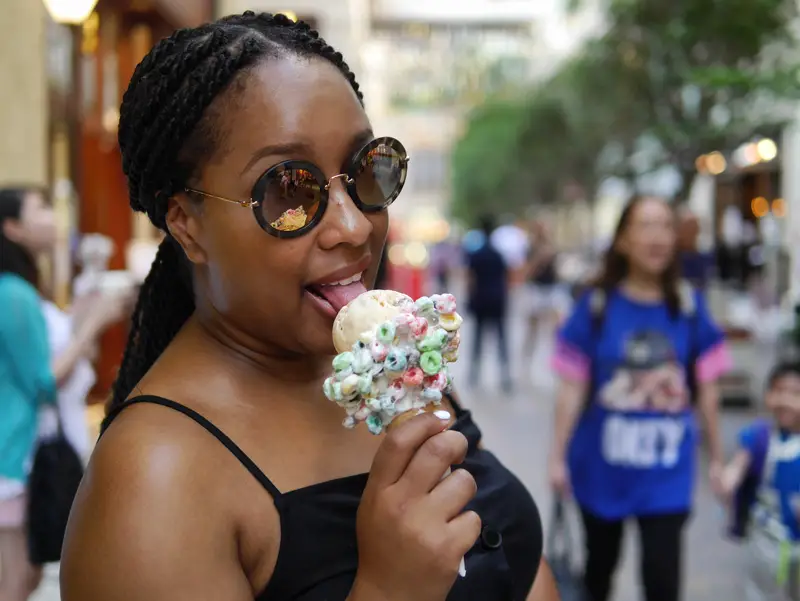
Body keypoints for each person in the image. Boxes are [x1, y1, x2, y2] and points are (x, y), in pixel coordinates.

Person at [61, 12, 557, 601]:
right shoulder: (153, 480)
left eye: (366, 170)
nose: (352, 226)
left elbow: (522, 565)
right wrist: (389, 588)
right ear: (187, 224)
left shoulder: (391, 374)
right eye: (289, 190)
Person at [548, 196, 731, 601]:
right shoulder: (595, 305)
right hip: (600, 470)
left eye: (665, 226)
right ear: (624, 240)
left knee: (663, 584)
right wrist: (557, 458)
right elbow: (572, 388)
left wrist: (717, 460)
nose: (657, 237)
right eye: (645, 226)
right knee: (598, 576)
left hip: (667, 474)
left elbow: (708, 391)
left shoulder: (687, 306)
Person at [719, 362, 800, 601]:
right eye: (779, 391)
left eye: (795, 393)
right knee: (760, 592)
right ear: (768, 395)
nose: (786, 400)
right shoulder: (760, 435)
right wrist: (728, 479)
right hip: (765, 539)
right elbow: (739, 464)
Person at [465, 215, 512, 391]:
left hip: (480, 300)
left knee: (477, 338)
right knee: (501, 338)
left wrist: (469, 298)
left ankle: (474, 374)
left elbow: (470, 279)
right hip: (497, 300)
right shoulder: (499, 255)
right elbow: (506, 279)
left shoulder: (476, 254)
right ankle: (505, 376)